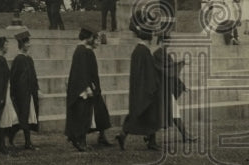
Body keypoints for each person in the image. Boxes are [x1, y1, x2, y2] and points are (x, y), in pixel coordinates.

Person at [115, 22, 163, 151]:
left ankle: (125, 135)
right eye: (152, 33)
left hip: (140, 88)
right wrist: (154, 86)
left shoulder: (138, 50)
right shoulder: (144, 52)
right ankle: (149, 141)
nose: (153, 36)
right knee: (148, 114)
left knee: (138, 114)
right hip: (147, 88)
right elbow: (149, 72)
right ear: (149, 36)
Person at [64, 27, 113, 151]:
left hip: (87, 87)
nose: (94, 40)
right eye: (92, 37)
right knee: (82, 115)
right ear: (88, 38)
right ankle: (79, 141)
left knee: (96, 112)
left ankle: (96, 137)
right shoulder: (82, 51)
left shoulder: (83, 50)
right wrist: (87, 87)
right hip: (83, 89)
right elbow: (82, 72)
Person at [153, 34, 196, 144]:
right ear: (161, 41)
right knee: (162, 113)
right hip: (160, 89)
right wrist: (181, 63)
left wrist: (182, 85)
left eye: (169, 42)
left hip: (166, 89)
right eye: (166, 42)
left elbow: (172, 74)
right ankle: (185, 135)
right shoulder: (157, 54)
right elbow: (168, 70)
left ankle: (185, 135)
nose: (168, 44)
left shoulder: (166, 55)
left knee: (166, 113)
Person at [9, 28, 40, 150]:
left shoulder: (29, 59)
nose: (29, 44)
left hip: (30, 93)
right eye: (27, 43)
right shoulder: (18, 59)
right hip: (22, 94)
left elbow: (34, 76)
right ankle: (25, 142)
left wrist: (37, 89)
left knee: (26, 117)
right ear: (22, 44)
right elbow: (14, 78)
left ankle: (25, 141)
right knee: (23, 117)